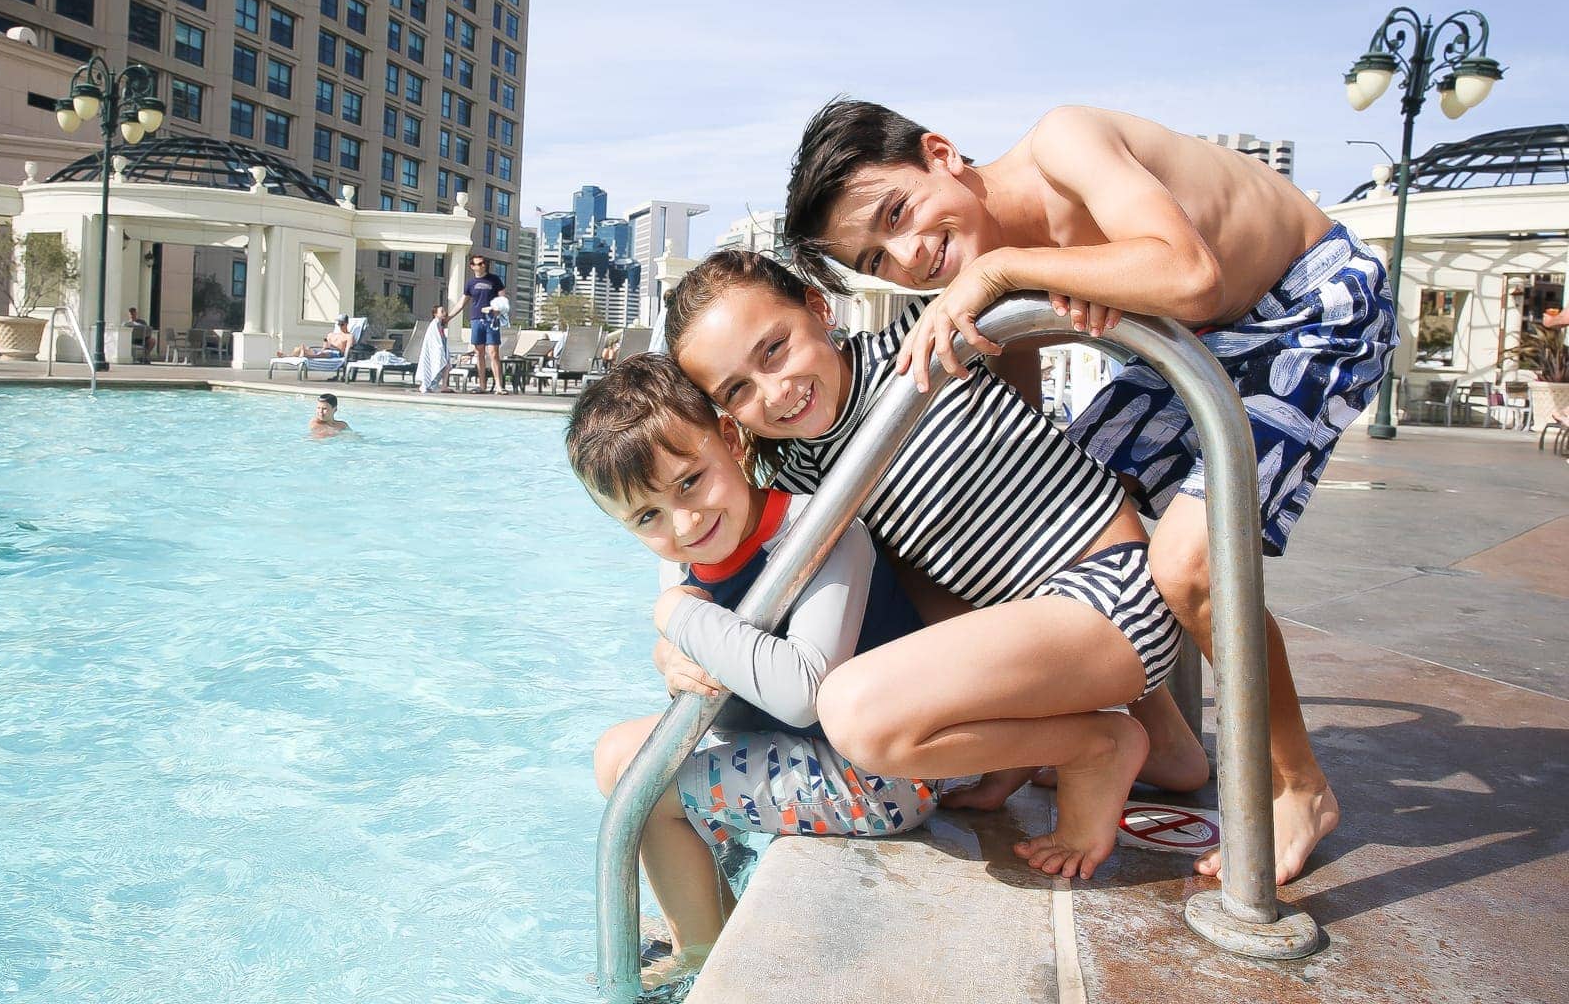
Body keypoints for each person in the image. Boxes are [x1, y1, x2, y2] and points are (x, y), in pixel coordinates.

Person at [781, 98, 1398, 882]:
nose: (908, 256)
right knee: (1046, 520)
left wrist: (1001, 272)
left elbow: (1190, 273)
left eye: (898, 212)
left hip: (1306, 306)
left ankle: (1297, 785)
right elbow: (1027, 461)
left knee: (1189, 567)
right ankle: (1160, 738)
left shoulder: (1062, 144)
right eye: (876, 261)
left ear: (942, 153)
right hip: (1193, 347)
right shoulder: (989, 277)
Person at [666, 249, 1192, 877]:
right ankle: (1158, 748)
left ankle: (1095, 746)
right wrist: (681, 631)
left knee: (855, 715)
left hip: (1112, 596)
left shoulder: (919, 343)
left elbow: (1031, 272)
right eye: (738, 390)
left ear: (817, 307)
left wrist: (990, 273)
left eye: (774, 349)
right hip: (1033, 634)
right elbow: (724, 555)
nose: (774, 392)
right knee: (891, 585)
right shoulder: (793, 466)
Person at [571, 355, 934, 988]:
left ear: (731, 440)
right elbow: (716, 678)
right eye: (647, 518)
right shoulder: (689, 559)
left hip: (884, 778)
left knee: (644, 783)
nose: (683, 523)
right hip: (813, 755)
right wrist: (670, 654)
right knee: (619, 755)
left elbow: (801, 693)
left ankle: (702, 961)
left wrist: (675, 619)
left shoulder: (821, 532)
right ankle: (704, 926)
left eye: (690, 482)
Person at [450, 255, 508, 394]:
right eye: (479, 264)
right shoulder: (470, 283)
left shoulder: (495, 279)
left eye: (484, 263)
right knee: (479, 353)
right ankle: (482, 385)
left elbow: (503, 299)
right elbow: (462, 302)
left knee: (493, 353)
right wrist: (449, 317)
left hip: (491, 320)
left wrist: (496, 309)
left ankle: (499, 386)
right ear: (472, 266)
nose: (482, 266)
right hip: (476, 320)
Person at [417, 304, 453, 393]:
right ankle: (432, 385)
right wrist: (439, 350)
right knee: (441, 366)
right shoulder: (435, 324)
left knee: (446, 366)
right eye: (442, 311)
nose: (444, 313)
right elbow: (434, 339)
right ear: (435, 314)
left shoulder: (440, 324)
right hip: (436, 350)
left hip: (441, 349)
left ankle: (443, 386)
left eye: (444, 311)